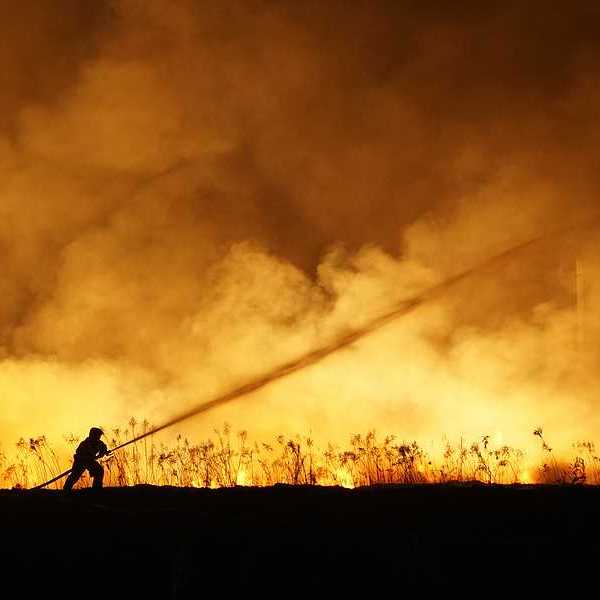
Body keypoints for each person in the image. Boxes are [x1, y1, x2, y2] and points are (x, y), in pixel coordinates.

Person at [63, 427, 111, 491]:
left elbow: (103, 449)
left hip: (90, 461)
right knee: (75, 475)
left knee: (99, 470)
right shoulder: (84, 444)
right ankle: (66, 489)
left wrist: (105, 452)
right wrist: (88, 457)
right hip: (80, 461)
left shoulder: (100, 443)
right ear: (91, 435)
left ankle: (96, 488)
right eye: (97, 435)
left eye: (99, 436)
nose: (98, 437)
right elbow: (78, 454)